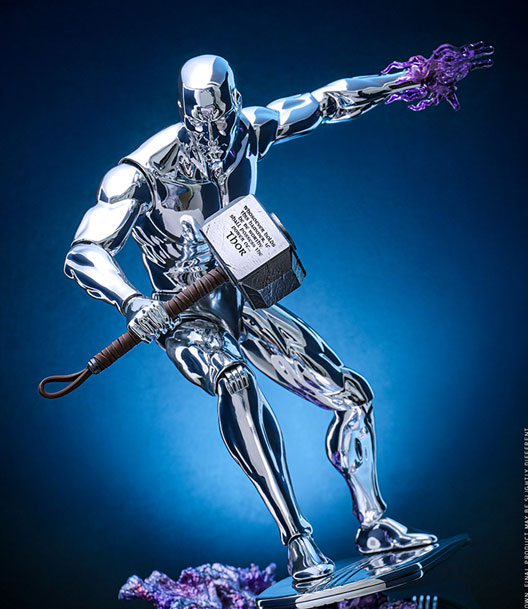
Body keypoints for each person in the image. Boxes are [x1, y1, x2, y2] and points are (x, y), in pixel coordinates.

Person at [64, 46, 492, 580]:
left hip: (242, 299)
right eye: (200, 122)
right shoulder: (141, 173)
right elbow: (84, 251)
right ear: (182, 112)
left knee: (352, 398)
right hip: (183, 315)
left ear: (235, 102)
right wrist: (132, 301)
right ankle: (298, 542)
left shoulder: (248, 130)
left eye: (221, 118)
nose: (213, 137)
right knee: (234, 381)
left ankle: (375, 523)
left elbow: (327, 101)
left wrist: (403, 79)